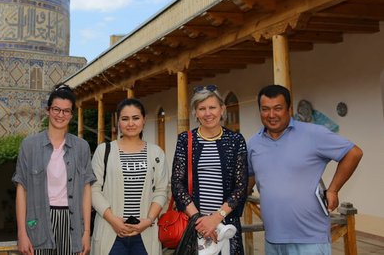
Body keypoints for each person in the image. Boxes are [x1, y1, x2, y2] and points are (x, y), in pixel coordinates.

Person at [248, 84, 363, 255]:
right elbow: (248, 179)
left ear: (289, 108)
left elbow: (353, 153)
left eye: (278, 108)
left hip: (310, 238)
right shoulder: (253, 143)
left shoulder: (313, 134)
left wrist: (333, 190)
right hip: (273, 239)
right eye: (265, 109)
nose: (271, 115)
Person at [13, 83, 96, 255]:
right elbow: (22, 189)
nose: (60, 115)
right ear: (48, 110)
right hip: (38, 222)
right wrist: (22, 232)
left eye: (66, 111)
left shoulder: (82, 147)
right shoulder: (29, 145)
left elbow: (86, 191)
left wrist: (86, 232)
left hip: (72, 223)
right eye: (56, 109)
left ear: (72, 114)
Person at [171, 85, 248, 255]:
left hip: (226, 224)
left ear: (222, 109)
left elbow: (241, 186)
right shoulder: (185, 140)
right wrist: (199, 221)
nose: (208, 113)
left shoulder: (236, 140)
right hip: (195, 225)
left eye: (212, 107)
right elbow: (177, 183)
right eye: (202, 108)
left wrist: (216, 218)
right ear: (195, 113)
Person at [91, 98, 169, 255]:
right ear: (118, 121)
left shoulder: (156, 152)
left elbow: (161, 190)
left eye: (136, 118)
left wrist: (148, 221)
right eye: (125, 119)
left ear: (144, 120)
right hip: (111, 232)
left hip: (144, 235)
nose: (130, 124)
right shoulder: (104, 150)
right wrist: (113, 220)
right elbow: (94, 189)